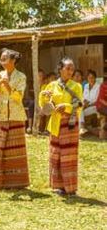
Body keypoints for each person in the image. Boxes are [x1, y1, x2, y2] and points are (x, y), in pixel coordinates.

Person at [39, 57, 83, 196]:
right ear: (60, 69)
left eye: (72, 68)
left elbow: (80, 105)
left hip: (69, 125)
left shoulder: (76, 86)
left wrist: (67, 106)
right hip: (55, 124)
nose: (71, 71)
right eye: (68, 68)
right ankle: (58, 186)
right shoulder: (51, 85)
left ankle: (70, 188)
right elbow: (44, 107)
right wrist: (43, 96)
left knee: (68, 156)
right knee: (56, 155)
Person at [0, 48, 30, 190]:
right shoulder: (0, 74)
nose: (2, 61)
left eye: (5, 58)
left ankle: (17, 182)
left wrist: (7, 85)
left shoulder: (21, 77)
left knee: (15, 150)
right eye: (1, 59)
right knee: (0, 148)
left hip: (16, 116)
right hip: (1, 115)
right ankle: (0, 182)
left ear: (13, 61)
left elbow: (19, 97)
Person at [80, 70, 100, 136]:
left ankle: (82, 127)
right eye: (89, 77)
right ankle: (83, 128)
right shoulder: (85, 86)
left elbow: (98, 101)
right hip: (86, 107)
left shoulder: (98, 86)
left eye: (92, 77)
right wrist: (84, 102)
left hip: (95, 107)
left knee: (80, 111)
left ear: (95, 78)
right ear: (87, 78)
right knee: (79, 110)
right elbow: (83, 97)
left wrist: (88, 105)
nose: (91, 79)